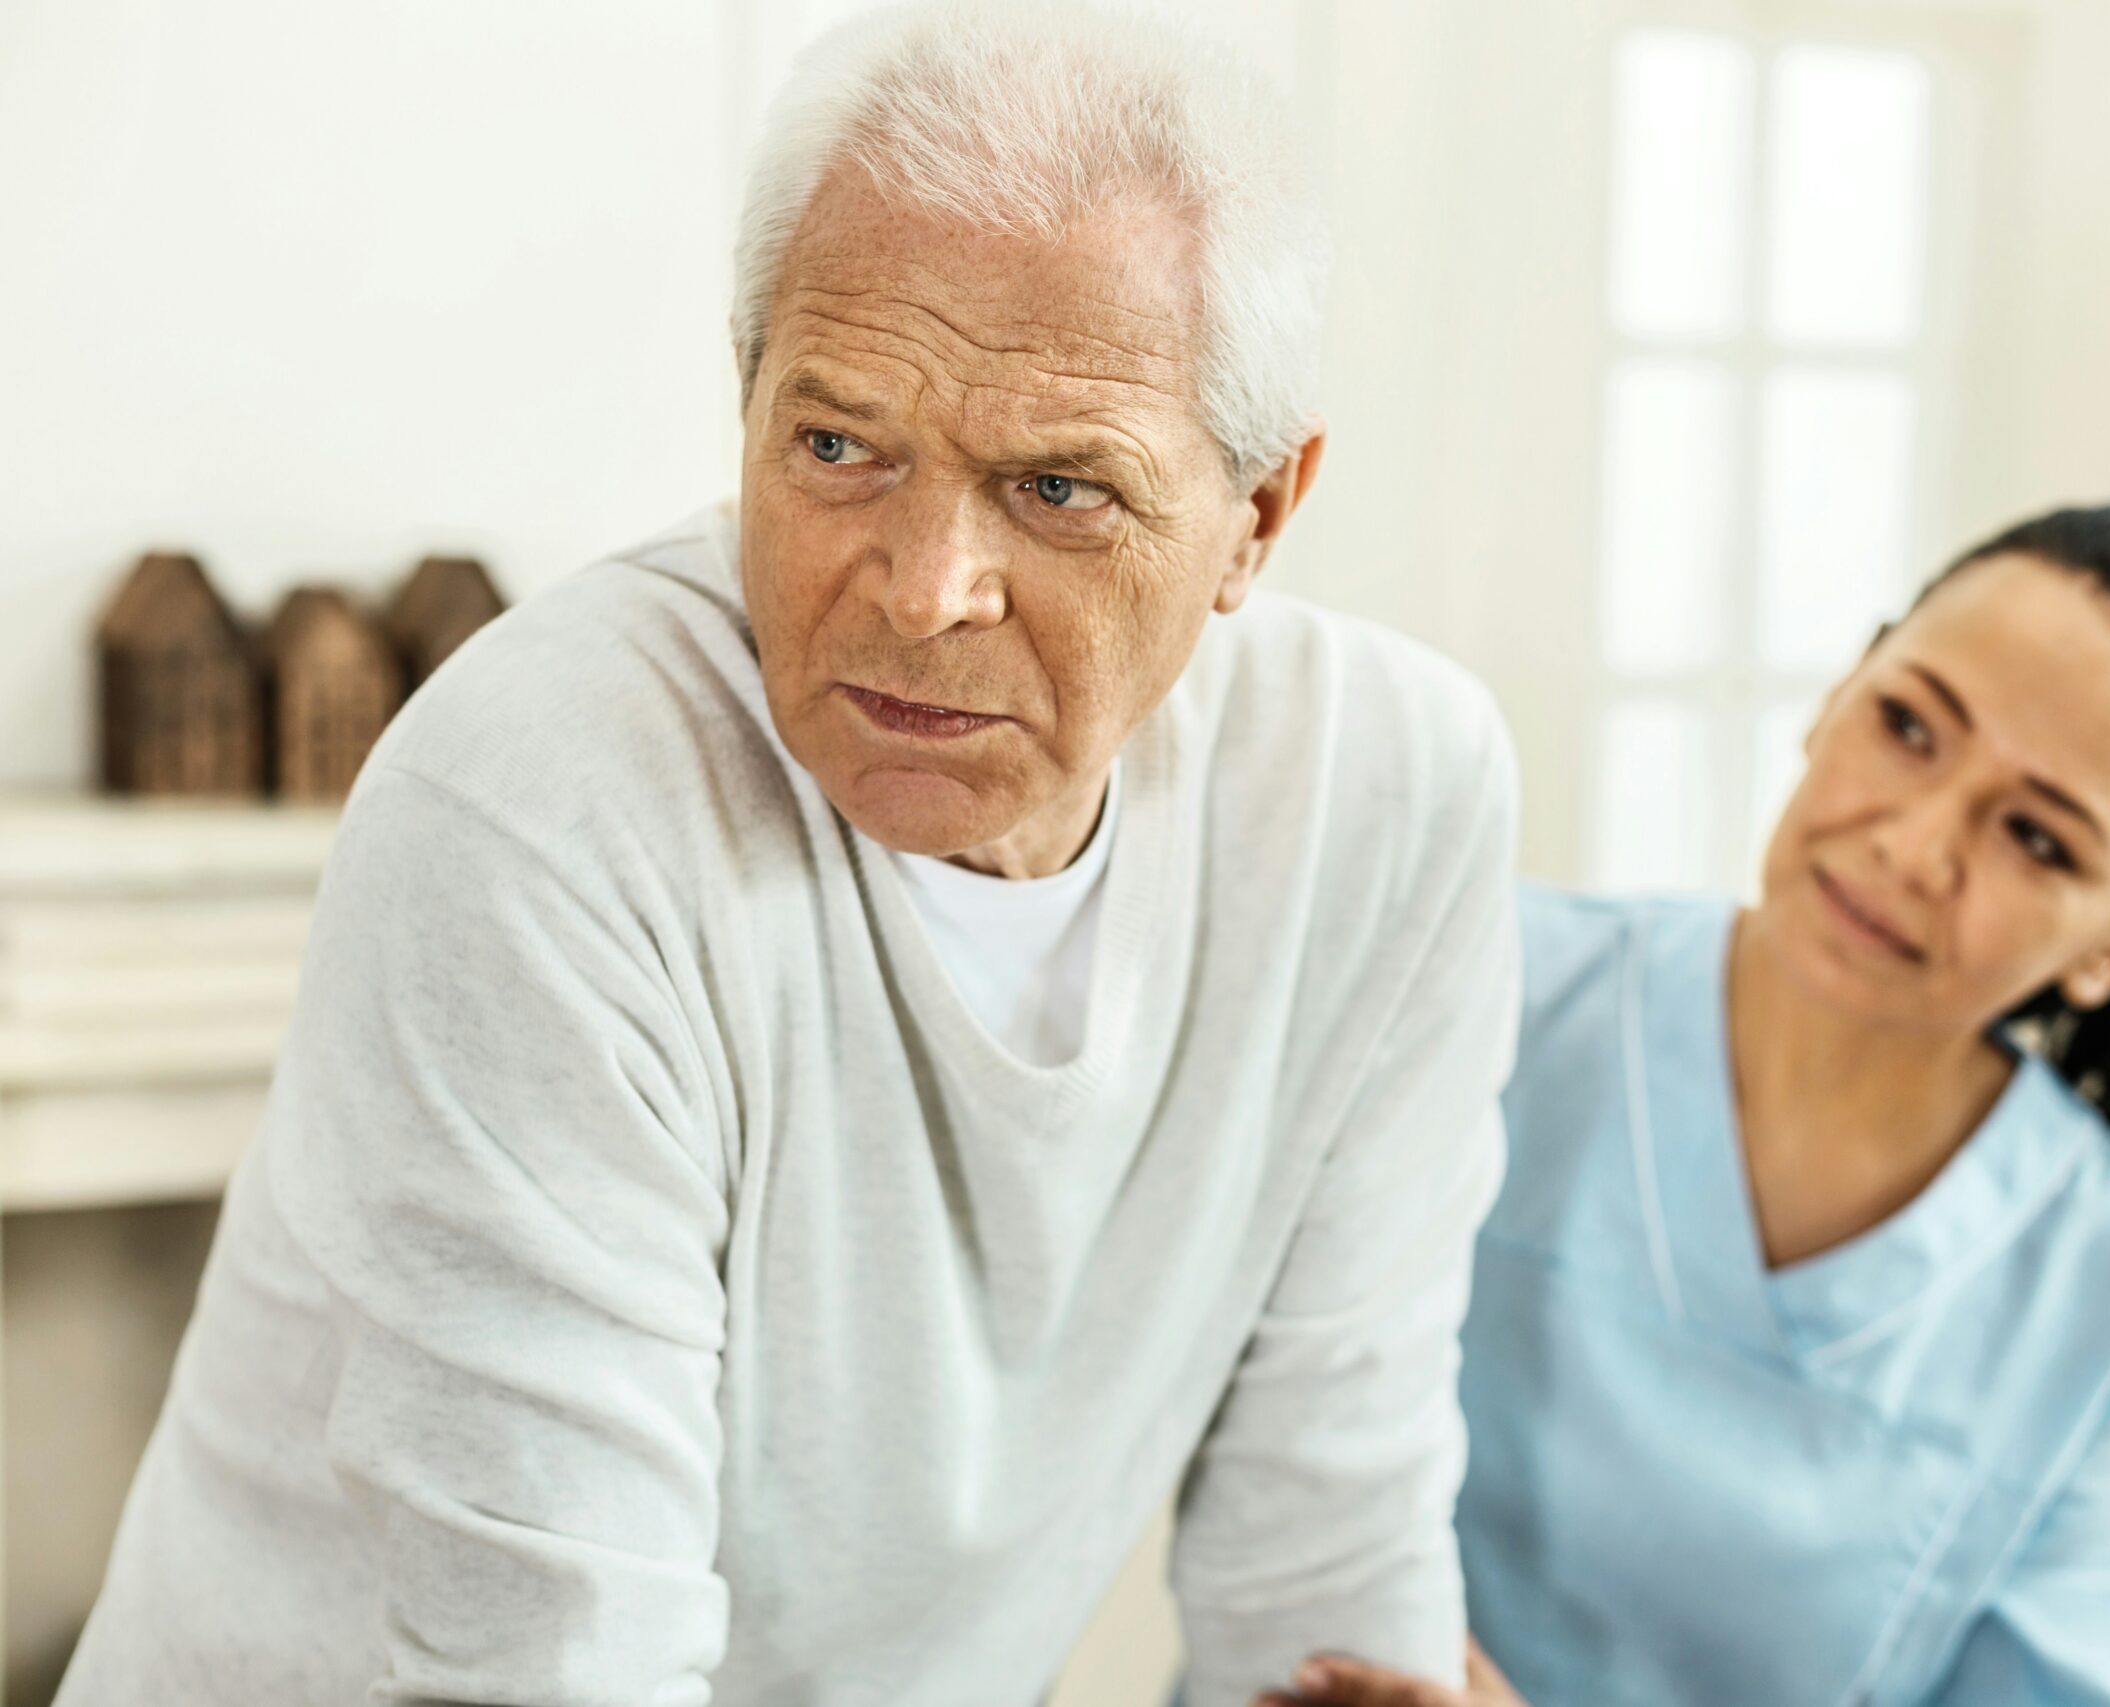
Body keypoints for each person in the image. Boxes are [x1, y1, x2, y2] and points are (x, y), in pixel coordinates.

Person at [61, 8, 1518, 1705]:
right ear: (748, 399)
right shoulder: (537, 803)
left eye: (1059, 489)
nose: (925, 586)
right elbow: (557, 1676)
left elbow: (1331, 1565)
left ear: (1257, 514)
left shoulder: (1387, 799)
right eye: (838, 447)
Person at [1273, 506, 2110, 1707]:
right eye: (1907, 726)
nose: (1915, 847)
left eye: (2035, 838)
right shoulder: (1472, 978)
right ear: (1838, 692)